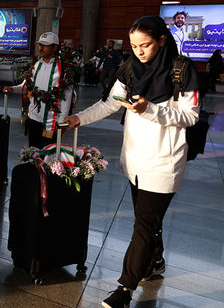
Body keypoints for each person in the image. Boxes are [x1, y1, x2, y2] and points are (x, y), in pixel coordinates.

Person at [63, 16, 200, 308]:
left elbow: (191, 116)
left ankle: (125, 289)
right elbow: (111, 103)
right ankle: (156, 261)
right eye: (134, 45)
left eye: (146, 45)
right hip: (135, 161)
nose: (139, 51)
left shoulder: (182, 70)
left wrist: (150, 109)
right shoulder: (129, 69)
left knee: (144, 225)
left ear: (162, 40)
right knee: (148, 222)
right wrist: (79, 118)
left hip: (164, 162)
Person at [3, 32, 74, 148]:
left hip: (51, 122)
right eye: (40, 44)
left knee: (47, 155)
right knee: (33, 152)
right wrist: (12, 89)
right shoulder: (36, 66)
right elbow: (27, 87)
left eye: (45, 45)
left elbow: (66, 98)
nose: (41, 48)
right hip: (33, 119)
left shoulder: (64, 69)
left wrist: (62, 123)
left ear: (55, 47)